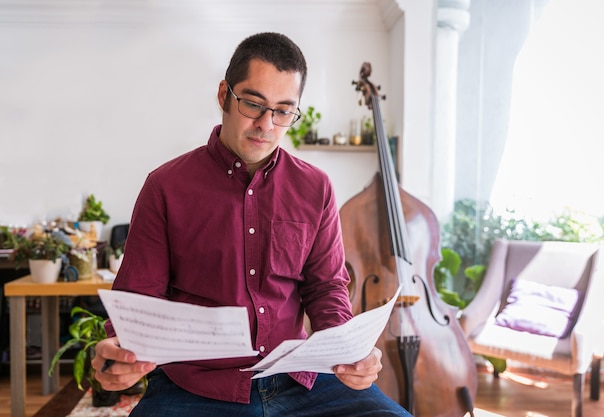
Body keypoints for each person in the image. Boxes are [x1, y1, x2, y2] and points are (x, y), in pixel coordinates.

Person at [92, 32, 412, 417]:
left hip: (300, 380)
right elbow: (138, 300)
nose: (266, 124)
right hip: (195, 386)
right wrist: (119, 353)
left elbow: (326, 287)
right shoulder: (165, 186)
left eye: (282, 111)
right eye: (253, 104)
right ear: (224, 94)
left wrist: (348, 351)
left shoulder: (316, 187)